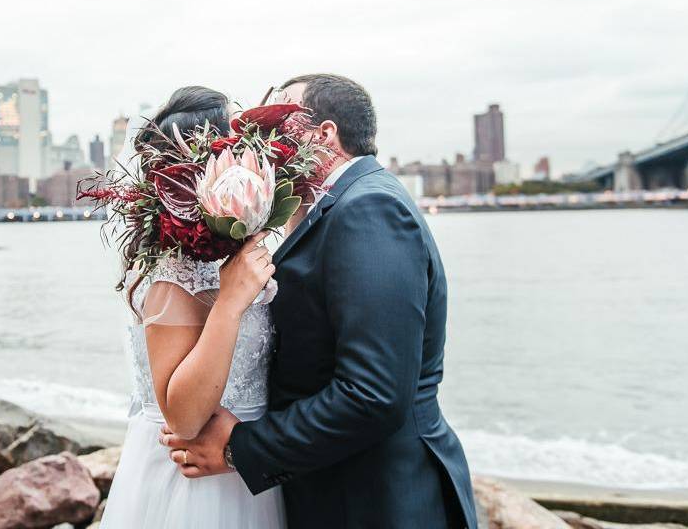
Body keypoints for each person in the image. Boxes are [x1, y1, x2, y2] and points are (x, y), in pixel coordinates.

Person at [161, 74, 478, 528]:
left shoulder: (368, 209)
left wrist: (240, 447)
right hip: (336, 488)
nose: (261, 135)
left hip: (379, 500)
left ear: (325, 134)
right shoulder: (330, 208)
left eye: (278, 118)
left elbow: (374, 393)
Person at [100, 85, 286, 528]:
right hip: (194, 489)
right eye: (233, 146)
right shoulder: (172, 276)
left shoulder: (233, 258)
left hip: (244, 466)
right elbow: (183, 418)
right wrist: (230, 302)